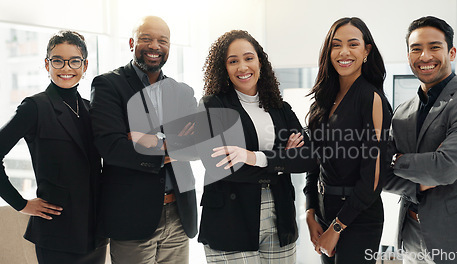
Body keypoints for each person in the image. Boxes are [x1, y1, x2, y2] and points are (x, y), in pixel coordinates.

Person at [384, 16, 457, 263]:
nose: (425, 56)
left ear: (452, 52)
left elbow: (444, 169)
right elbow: (380, 175)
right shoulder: (401, 112)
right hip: (411, 237)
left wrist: (395, 160)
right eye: (416, 49)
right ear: (408, 57)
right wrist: (416, 176)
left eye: (434, 47)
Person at [90, 16, 197, 264]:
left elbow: (199, 147)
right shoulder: (109, 85)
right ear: (131, 43)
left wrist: (150, 140)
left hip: (179, 215)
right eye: (146, 39)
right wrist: (174, 143)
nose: (154, 46)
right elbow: (112, 147)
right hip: (131, 216)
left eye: (162, 41)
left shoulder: (182, 91)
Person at [197, 29, 311, 264]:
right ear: (223, 68)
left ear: (260, 61)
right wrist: (282, 159)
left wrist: (251, 156)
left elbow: (307, 158)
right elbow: (221, 166)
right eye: (233, 61)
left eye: (249, 58)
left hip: (280, 216)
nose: (242, 67)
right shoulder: (212, 106)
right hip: (230, 221)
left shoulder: (280, 107)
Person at [0, 30, 107, 264]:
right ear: (47, 64)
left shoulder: (92, 110)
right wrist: (21, 204)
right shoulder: (34, 107)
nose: (66, 68)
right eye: (57, 60)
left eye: (74, 61)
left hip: (96, 234)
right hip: (58, 235)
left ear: (85, 65)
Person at [303, 17, 392, 263]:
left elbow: (373, 178)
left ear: (366, 51)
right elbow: (314, 162)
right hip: (323, 212)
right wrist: (310, 211)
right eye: (336, 45)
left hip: (358, 217)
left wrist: (337, 228)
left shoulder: (371, 98)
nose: (344, 52)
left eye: (353, 44)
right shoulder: (323, 99)